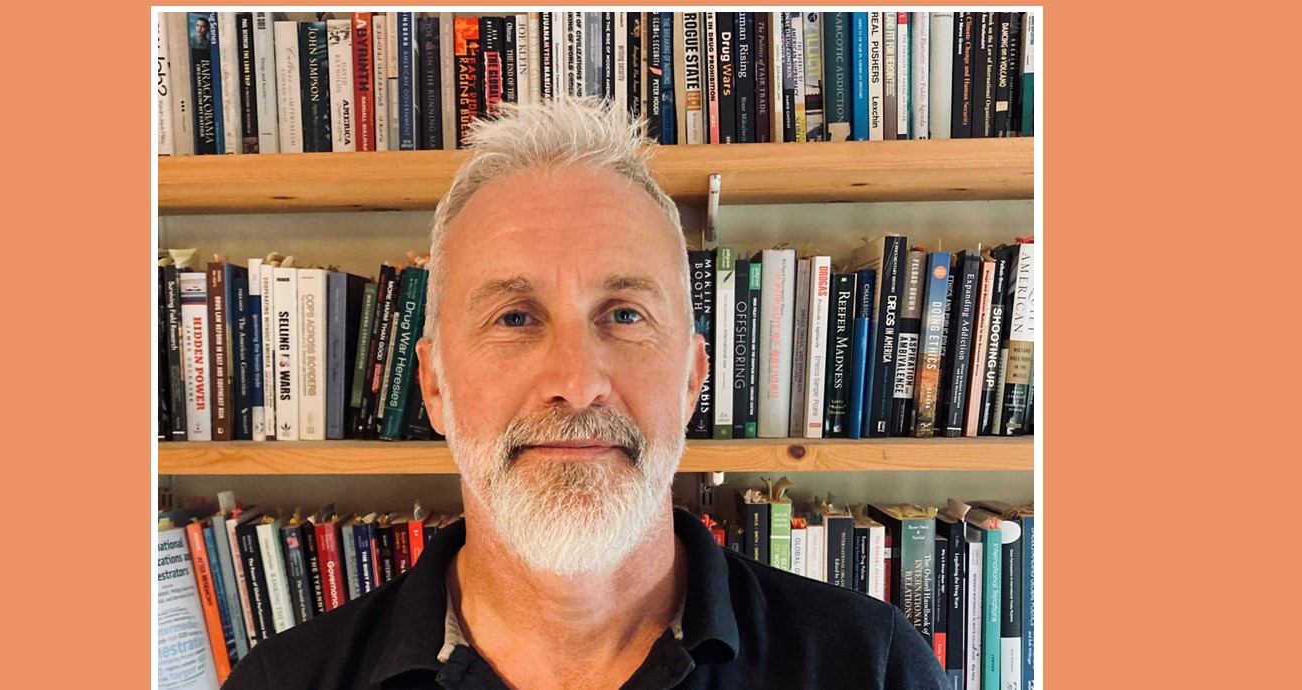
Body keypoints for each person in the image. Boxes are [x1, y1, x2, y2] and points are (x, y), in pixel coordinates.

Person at [221, 100, 946, 690]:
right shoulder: (280, 682)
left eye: (625, 315)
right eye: (514, 318)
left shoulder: (872, 668)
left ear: (693, 378)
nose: (575, 382)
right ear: (435, 385)